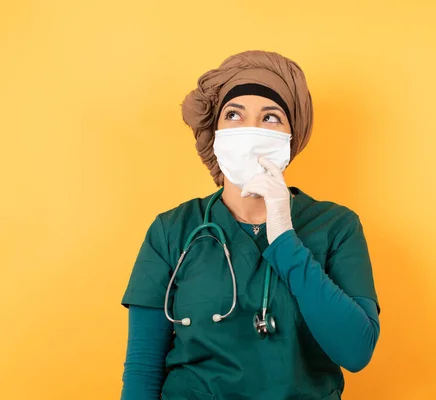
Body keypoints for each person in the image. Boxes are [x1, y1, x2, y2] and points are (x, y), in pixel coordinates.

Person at [120, 50, 381, 400]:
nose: (251, 130)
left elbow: (355, 351)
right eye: (234, 115)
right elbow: (143, 368)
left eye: (270, 118)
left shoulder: (337, 227)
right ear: (215, 133)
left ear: (292, 136)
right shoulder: (172, 230)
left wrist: (284, 238)